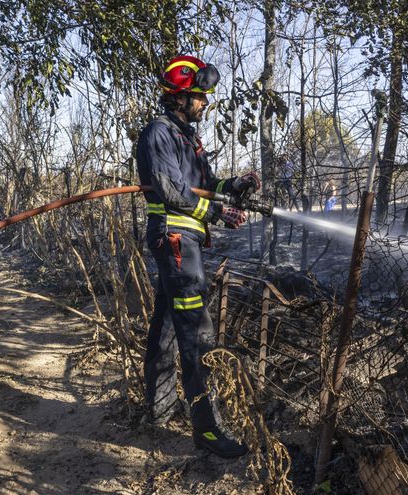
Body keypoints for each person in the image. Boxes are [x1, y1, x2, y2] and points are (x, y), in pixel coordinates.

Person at [136, 55, 261, 458]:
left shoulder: (186, 136)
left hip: (185, 242)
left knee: (168, 326)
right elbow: (173, 192)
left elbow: (204, 185)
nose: (205, 104)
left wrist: (234, 185)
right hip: (175, 242)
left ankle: (157, 410)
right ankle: (207, 430)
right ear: (181, 96)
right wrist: (218, 212)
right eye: (200, 97)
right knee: (197, 334)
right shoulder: (158, 132)